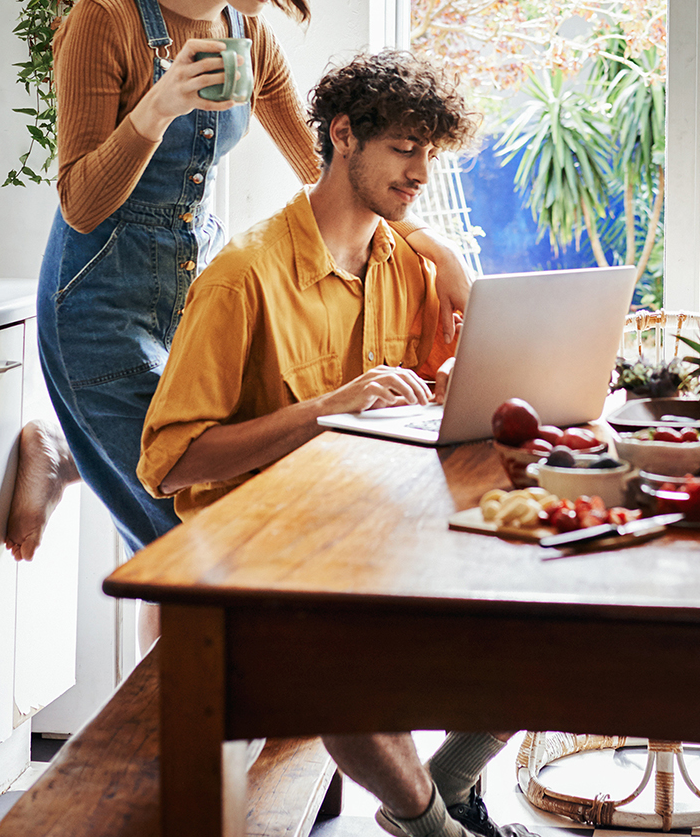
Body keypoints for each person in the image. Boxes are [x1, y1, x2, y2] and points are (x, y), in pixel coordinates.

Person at [14, 0, 471, 562]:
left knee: (223, 494)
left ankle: (65, 448)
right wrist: (159, 106)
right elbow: (80, 202)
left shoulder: (248, 32)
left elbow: (330, 165)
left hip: (194, 290)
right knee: (193, 540)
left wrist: (430, 248)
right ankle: (64, 445)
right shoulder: (105, 17)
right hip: (99, 303)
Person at [137, 52, 523, 837]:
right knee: (340, 661)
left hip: (374, 529)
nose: (420, 173)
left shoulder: (405, 263)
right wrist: (323, 408)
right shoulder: (243, 277)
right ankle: (434, 828)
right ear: (343, 135)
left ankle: (446, 782)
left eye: (430, 153)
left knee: (558, 593)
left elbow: (428, 395)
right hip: (258, 553)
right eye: (404, 148)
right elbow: (168, 464)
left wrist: (454, 371)